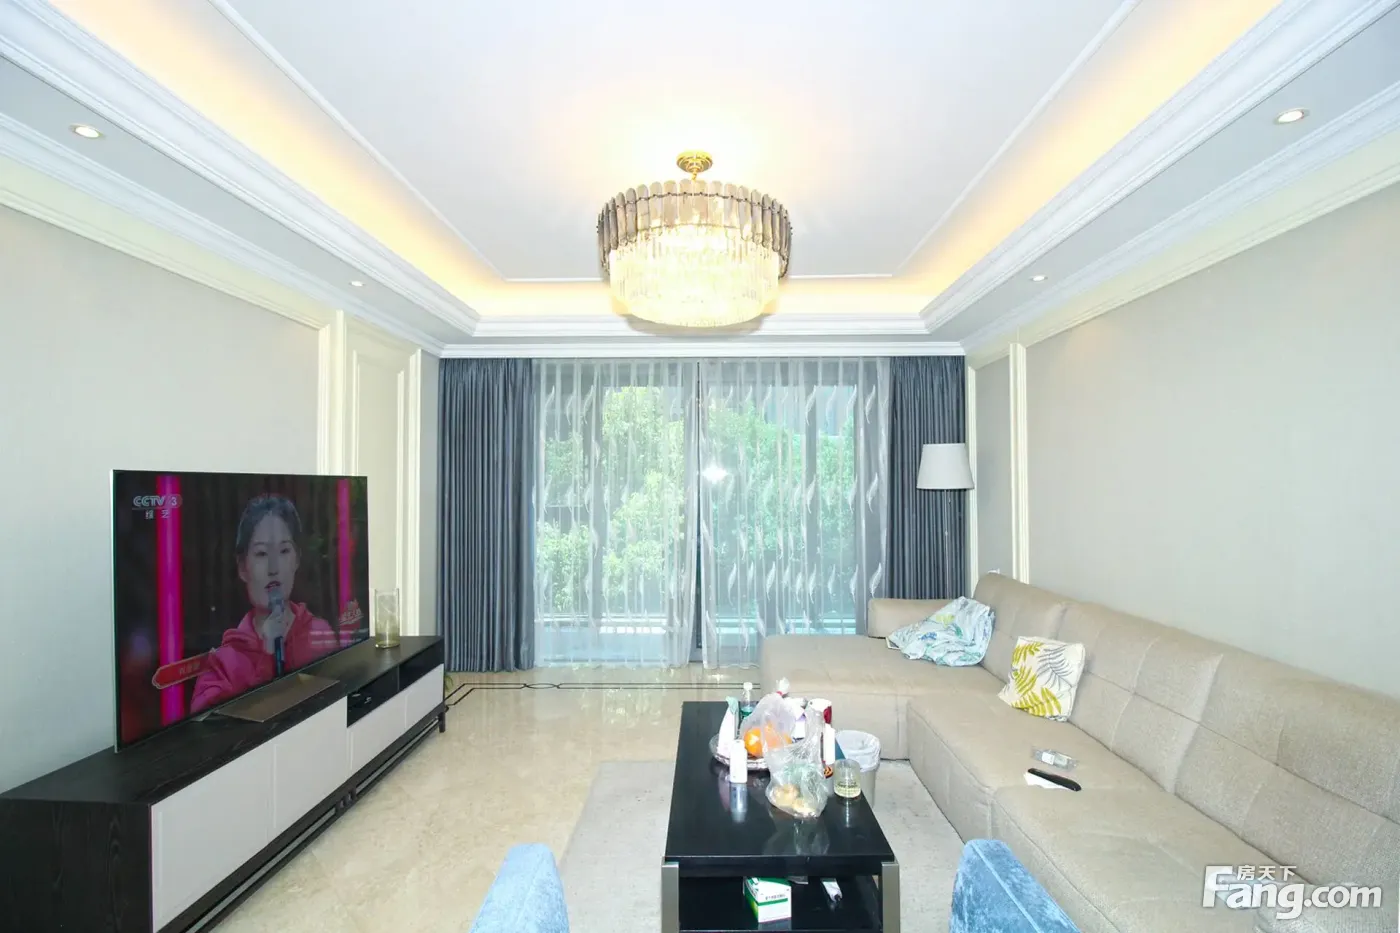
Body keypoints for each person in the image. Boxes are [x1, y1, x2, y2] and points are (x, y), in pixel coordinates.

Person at [191, 494, 338, 712]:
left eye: (284, 551)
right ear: (243, 567)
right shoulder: (223, 662)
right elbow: (208, 725)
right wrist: (266, 656)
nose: (273, 568)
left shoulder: (320, 633)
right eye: (261, 554)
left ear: (297, 559)